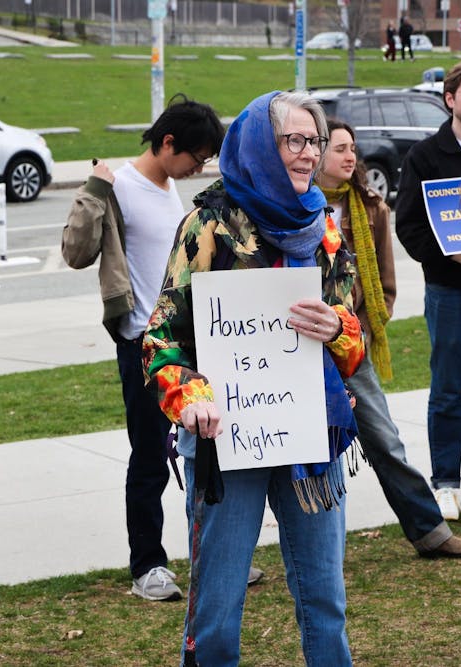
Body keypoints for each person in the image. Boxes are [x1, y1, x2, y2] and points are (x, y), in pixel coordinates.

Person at [143, 90, 364, 666]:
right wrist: (189, 397)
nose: (307, 153)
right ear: (261, 146)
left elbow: (351, 341)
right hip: (226, 442)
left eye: (313, 141)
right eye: (293, 140)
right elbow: (161, 337)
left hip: (310, 437)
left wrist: (336, 327)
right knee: (216, 607)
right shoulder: (208, 223)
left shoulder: (324, 228)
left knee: (325, 599)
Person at [62, 96, 244, 602]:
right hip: (143, 343)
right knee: (148, 457)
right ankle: (147, 565)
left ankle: (215, 550)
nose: (198, 168)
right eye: (196, 156)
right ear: (168, 143)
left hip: (191, 340)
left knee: (206, 449)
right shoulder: (116, 185)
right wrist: (94, 190)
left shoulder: (172, 193)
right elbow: (74, 253)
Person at [316, 119, 461, 559]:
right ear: (316, 155)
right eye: (339, 149)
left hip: (350, 348)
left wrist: (366, 329)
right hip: (297, 346)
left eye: (353, 149)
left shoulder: (371, 207)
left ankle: (430, 531)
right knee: (294, 451)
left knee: (384, 440)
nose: (351, 157)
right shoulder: (292, 206)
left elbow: (384, 286)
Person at [395, 59, 461, 521]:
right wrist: (448, 256)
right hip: (449, 291)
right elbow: (409, 226)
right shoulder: (426, 156)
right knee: (445, 391)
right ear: (450, 99)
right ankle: (445, 483)